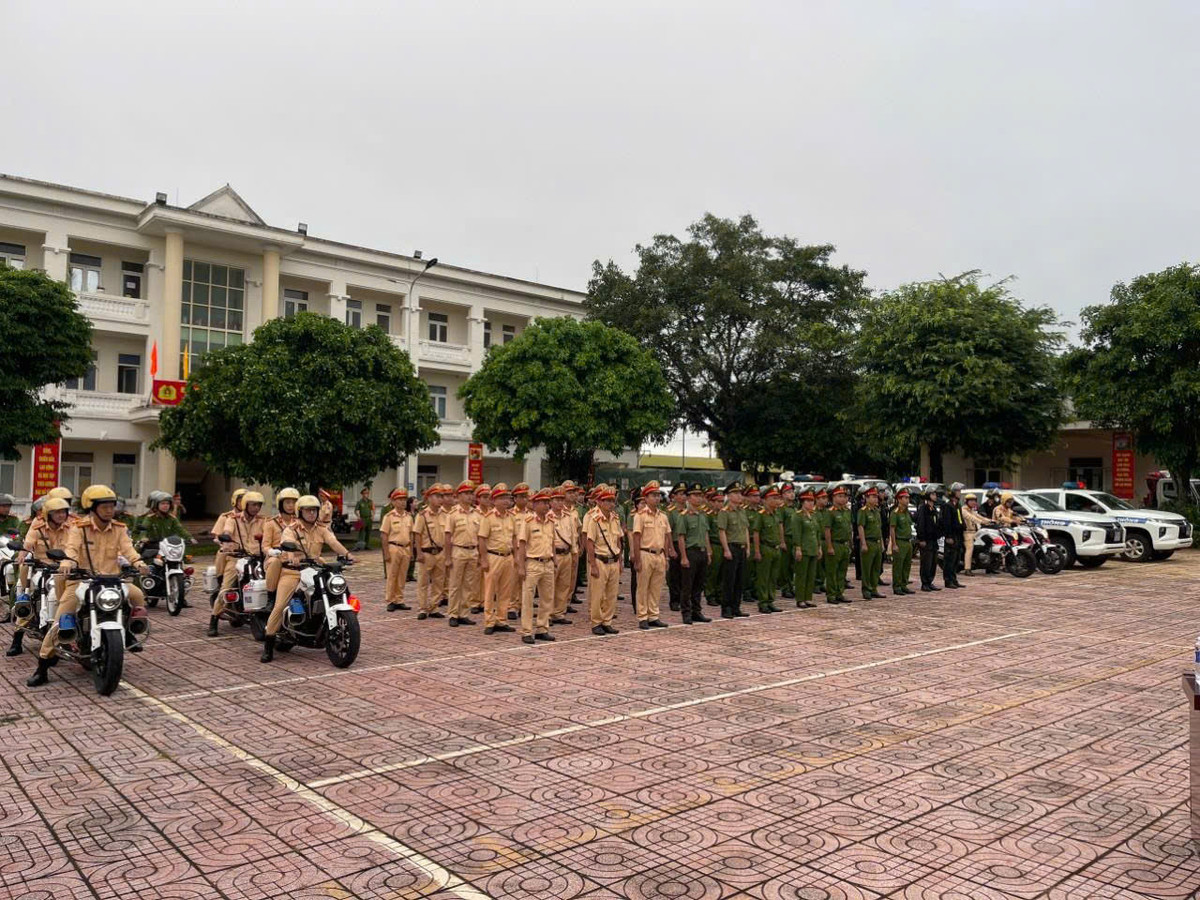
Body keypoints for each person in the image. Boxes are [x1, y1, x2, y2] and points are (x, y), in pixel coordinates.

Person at [28, 485, 150, 687]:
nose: (110, 510)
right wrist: (68, 563)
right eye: (104, 506)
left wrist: (139, 563)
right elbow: (72, 549)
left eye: (112, 506)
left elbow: (128, 550)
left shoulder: (119, 529)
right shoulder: (79, 528)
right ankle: (42, 667)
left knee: (138, 596)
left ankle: (127, 631)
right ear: (92, 507)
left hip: (112, 580)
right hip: (82, 581)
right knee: (60, 620)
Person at [263, 495, 353, 662]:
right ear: (300, 512)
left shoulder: (322, 529)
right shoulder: (292, 529)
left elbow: (333, 542)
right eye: (308, 510)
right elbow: (287, 542)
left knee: (336, 586)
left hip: (314, 569)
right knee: (280, 604)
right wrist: (291, 556)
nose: (312, 513)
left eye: (314, 510)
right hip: (292, 571)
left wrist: (347, 554)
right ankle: (268, 643)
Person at [7, 497, 72, 657]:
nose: (61, 515)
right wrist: (22, 555)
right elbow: (27, 545)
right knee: (27, 596)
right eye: (57, 512)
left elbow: (75, 548)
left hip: (63, 571)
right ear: (48, 513)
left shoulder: (72, 527)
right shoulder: (37, 526)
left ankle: (67, 636)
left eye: (63, 511)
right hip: (40, 568)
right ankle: (17, 639)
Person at [208, 490, 267, 636]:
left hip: (257, 559)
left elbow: (269, 534)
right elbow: (227, 530)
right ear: (245, 504)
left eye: (259, 505)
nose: (256, 508)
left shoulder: (263, 521)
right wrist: (226, 537)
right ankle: (214, 619)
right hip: (236, 558)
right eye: (253, 505)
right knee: (226, 588)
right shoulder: (232, 519)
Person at [516, 489, 556, 644]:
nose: (547, 506)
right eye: (544, 503)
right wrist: (521, 566)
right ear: (536, 504)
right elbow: (522, 544)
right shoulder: (528, 521)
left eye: (548, 503)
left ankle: (542, 628)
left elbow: (552, 542)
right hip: (533, 563)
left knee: (547, 598)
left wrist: (554, 559)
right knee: (528, 599)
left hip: (548, 563)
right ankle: (526, 631)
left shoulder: (551, 521)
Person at [478, 483, 517, 635]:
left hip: (508, 556)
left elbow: (514, 538)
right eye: (501, 498)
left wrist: (515, 556)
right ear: (493, 501)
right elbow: (481, 539)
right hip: (493, 556)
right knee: (490, 591)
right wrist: (483, 559)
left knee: (505, 591)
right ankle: (489, 621)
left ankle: (502, 619)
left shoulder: (511, 517)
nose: (505, 501)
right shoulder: (488, 517)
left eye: (507, 497)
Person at [632, 481, 671, 629]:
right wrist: (636, 558)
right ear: (646, 498)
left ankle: (653, 615)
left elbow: (666, 537)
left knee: (656, 587)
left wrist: (666, 557)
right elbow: (636, 538)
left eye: (658, 495)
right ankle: (642, 616)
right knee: (643, 587)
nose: (656, 498)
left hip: (659, 554)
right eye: (653, 495)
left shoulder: (663, 516)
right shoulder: (640, 516)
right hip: (645, 553)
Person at [585, 485, 623, 635]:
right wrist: (592, 564)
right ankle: (596, 622)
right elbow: (589, 542)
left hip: (613, 560)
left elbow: (618, 540)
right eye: (606, 501)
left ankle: (607, 621)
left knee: (612, 594)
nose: (610, 504)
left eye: (612, 501)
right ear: (599, 502)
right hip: (600, 560)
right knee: (597, 594)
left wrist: (620, 561)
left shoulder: (615, 518)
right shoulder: (594, 519)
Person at [673, 484, 712, 625]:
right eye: (695, 495)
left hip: (701, 552)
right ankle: (686, 613)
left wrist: (708, 552)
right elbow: (681, 537)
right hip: (690, 552)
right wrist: (683, 556)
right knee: (687, 585)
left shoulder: (703, 515)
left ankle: (697, 611)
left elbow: (706, 534)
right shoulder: (683, 516)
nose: (699, 498)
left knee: (699, 585)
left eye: (700, 495)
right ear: (689, 498)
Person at [444, 481, 480, 627]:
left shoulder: (476, 514)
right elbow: (447, 537)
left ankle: (463, 613)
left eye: (471, 493)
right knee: (455, 584)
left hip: (473, 551)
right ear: (458, 496)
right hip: (458, 550)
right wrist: (447, 557)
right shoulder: (452, 514)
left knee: (468, 585)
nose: (469, 496)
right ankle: (453, 613)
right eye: (466, 493)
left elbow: (481, 535)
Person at [262, 487, 301, 612]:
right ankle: (271, 597)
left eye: (294, 502)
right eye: (287, 502)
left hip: (294, 557)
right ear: (281, 504)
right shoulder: (271, 523)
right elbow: (265, 546)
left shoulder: (300, 522)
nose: (291, 506)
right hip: (275, 558)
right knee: (275, 562)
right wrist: (271, 551)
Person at [717, 483, 750, 619]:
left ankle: (736, 607)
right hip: (731, 547)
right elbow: (722, 531)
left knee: (739, 580)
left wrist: (748, 546)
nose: (739, 496)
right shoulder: (724, 512)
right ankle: (726, 608)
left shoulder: (742, 511)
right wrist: (726, 549)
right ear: (729, 496)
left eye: (740, 493)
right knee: (729, 580)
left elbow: (746, 529)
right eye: (736, 493)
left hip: (741, 547)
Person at [415, 485, 448, 620]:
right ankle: (422, 608)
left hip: (440, 552)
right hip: (426, 552)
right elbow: (417, 534)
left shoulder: (445, 515)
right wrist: (419, 553)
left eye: (441, 497)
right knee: (423, 582)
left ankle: (434, 607)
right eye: (437, 496)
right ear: (429, 498)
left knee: (438, 582)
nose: (440, 499)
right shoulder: (422, 515)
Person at [209, 488, 247, 607]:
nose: (243, 503)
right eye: (241, 500)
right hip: (231, 553)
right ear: (234, 501)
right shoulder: (226, 517)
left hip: (247, 554)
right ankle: (220, 579)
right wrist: (224, 544)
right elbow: (217, 535)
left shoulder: (252, 518)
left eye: (246, 500)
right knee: (221, 554)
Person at [380, 488, 413, 611]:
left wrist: (411, 550)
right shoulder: (389, 516)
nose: (403, 502)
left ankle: (399, 599)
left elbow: (411, 534)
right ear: (393, 502)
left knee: (402, 575)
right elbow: (384, 535)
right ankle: (390, 600)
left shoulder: (409, 517)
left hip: (406, 548)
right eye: (399, 500)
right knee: (392, 575)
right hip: (393, 547)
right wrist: (386, 553)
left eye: (404, 499)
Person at [549, 487, 578, 626]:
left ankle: (559, 613)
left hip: (567, 554)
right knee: (550, 586)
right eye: (557, 500)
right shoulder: (547, 516)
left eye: (561, 500)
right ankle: (548, 613)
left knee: (564, 586)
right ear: (551, 501)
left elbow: (573, 536)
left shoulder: (568, 517)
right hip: (553, 554)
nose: (560, 503)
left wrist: (575, 553)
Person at [753, 487, 785, 613]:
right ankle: (763, 602)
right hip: (765, 547)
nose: (776, 501)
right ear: (765, 500)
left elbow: (780, 529)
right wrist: (757, 551)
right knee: (763, 577)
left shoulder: (776, 514)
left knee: (773, 577)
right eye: (773, 498)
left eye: (777, 498)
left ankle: (771, 600)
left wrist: (782, 542)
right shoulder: (761, 515)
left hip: (776, 548)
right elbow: (756, 533)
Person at [788, 489, 820, 609]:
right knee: (801, 575)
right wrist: (798, 548)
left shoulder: (813, 515)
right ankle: (800, 599)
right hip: (803, 548)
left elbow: (817, 532)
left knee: (811, 575)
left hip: (813, 548)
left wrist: (819, 548)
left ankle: (808, 597)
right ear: (802, 502)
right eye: (808, 501)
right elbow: (796, 533)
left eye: (812, 500)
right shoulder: (797, 516)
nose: (810, 503)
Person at [824, 485, 853, 604]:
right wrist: (829, 546)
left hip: (845, 544)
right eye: (840, 496)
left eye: (844, 496)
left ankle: (839, 592)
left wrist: (850, 544)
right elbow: (827, 530)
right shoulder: (830, 512)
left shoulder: (847, 512)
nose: (843, 499)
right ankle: (831, 594)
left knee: (842, 571)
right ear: (833, 498)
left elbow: (849, 528)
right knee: (832, 571)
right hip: (835, 544)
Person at [857, 487, 885, 600]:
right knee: (867, 568)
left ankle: (874, 588)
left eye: (876, 496)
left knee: (876, 568)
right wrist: (863, 543)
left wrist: (882, 543)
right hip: (868, 541)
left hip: (877, 542)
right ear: (866, 498)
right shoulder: (863, 511)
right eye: (873, 497)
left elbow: (879, 529)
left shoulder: (877, 511)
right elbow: (860, 527)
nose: (875, 499)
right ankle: (866, 589)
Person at [913, 490, 941, 592]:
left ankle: (930, 581)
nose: (935, 496)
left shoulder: (934, 509)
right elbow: (920, 524)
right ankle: (924, 583)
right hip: (926, 540)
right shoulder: (923, 509)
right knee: (926, 562)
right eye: (933, 494)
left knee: (933, 562)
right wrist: (921, 538)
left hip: (933, 540)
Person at [889, 489, 915, 596]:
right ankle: (897, 586)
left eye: (908, 497)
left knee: (906, 565)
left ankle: (904, 584)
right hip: (899, 541)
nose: (907, 500)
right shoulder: (895, 513)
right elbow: (892, 529)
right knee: (898, 566)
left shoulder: (907, 512)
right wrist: (894, 544)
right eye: (905, 498)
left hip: (908, 541)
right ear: (899, 499)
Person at [940, 484, 966, 588]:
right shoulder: (948, 506)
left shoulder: (957, 505)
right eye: (958, 491)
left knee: (956, 559)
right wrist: (948, 536)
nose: (960, 493)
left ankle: (954, 578)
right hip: (951, 535)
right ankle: (948, 580)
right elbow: (946, 523)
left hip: (958, 535)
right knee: (949, 559)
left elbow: (960, 519)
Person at [962, 493, 990, 575]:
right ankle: (967, 569)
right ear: (966, 502)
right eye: (971, 500)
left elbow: (979, 516)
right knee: (970, 548)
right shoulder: (963, 510)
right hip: (967, 532)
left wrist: (990, 521)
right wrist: (981, 522)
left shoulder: (972, 510)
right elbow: (972, 518)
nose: (973, 502)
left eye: (974, 500)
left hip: (975, 532)